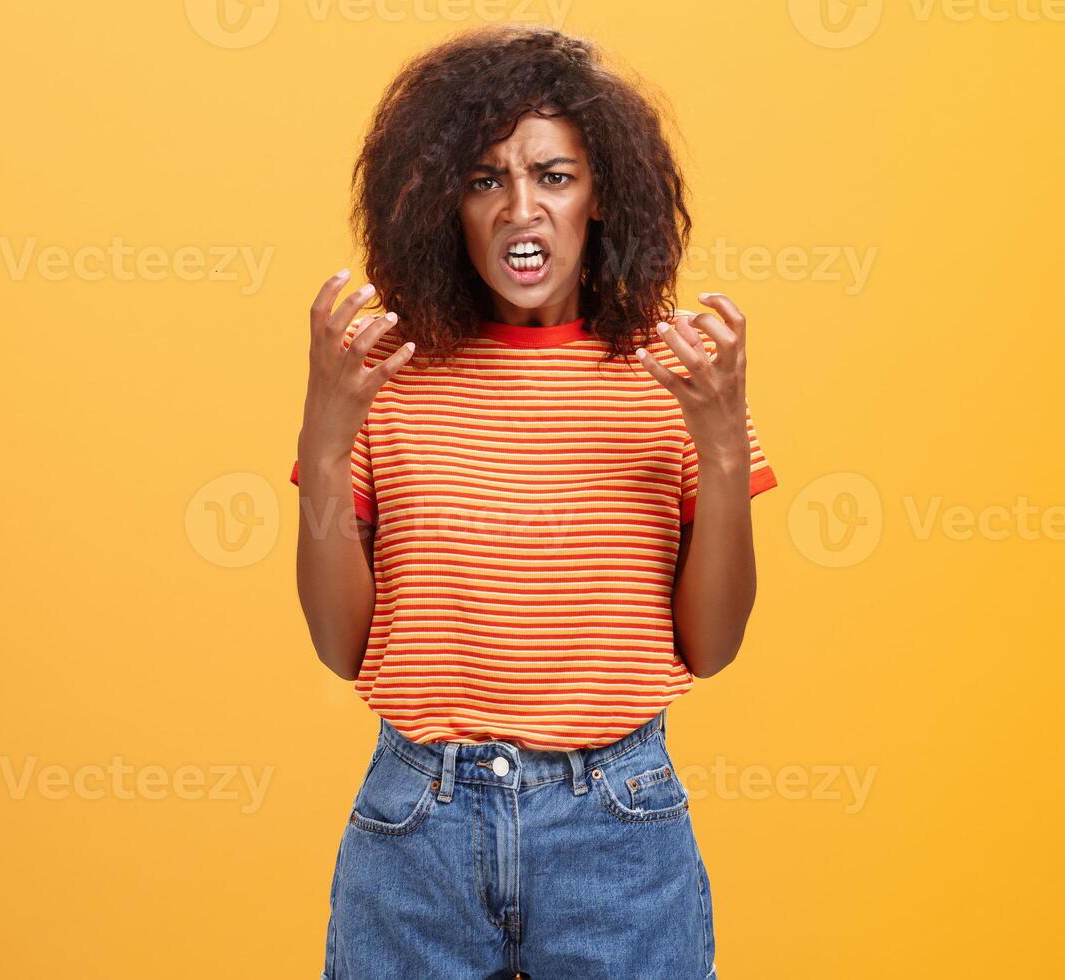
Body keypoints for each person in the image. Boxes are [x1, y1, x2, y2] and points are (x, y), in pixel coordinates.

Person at [293, 26, 775, 978]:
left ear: (602, 197)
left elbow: (712, 648)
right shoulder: (384, 376)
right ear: (445, 205)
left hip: (619, 825)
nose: (523, 209)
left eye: (555, 177)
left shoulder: (674, 378)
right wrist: (324, 430)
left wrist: (721, 448)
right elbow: (337, 645)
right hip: (417, 827)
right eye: (485, 180)